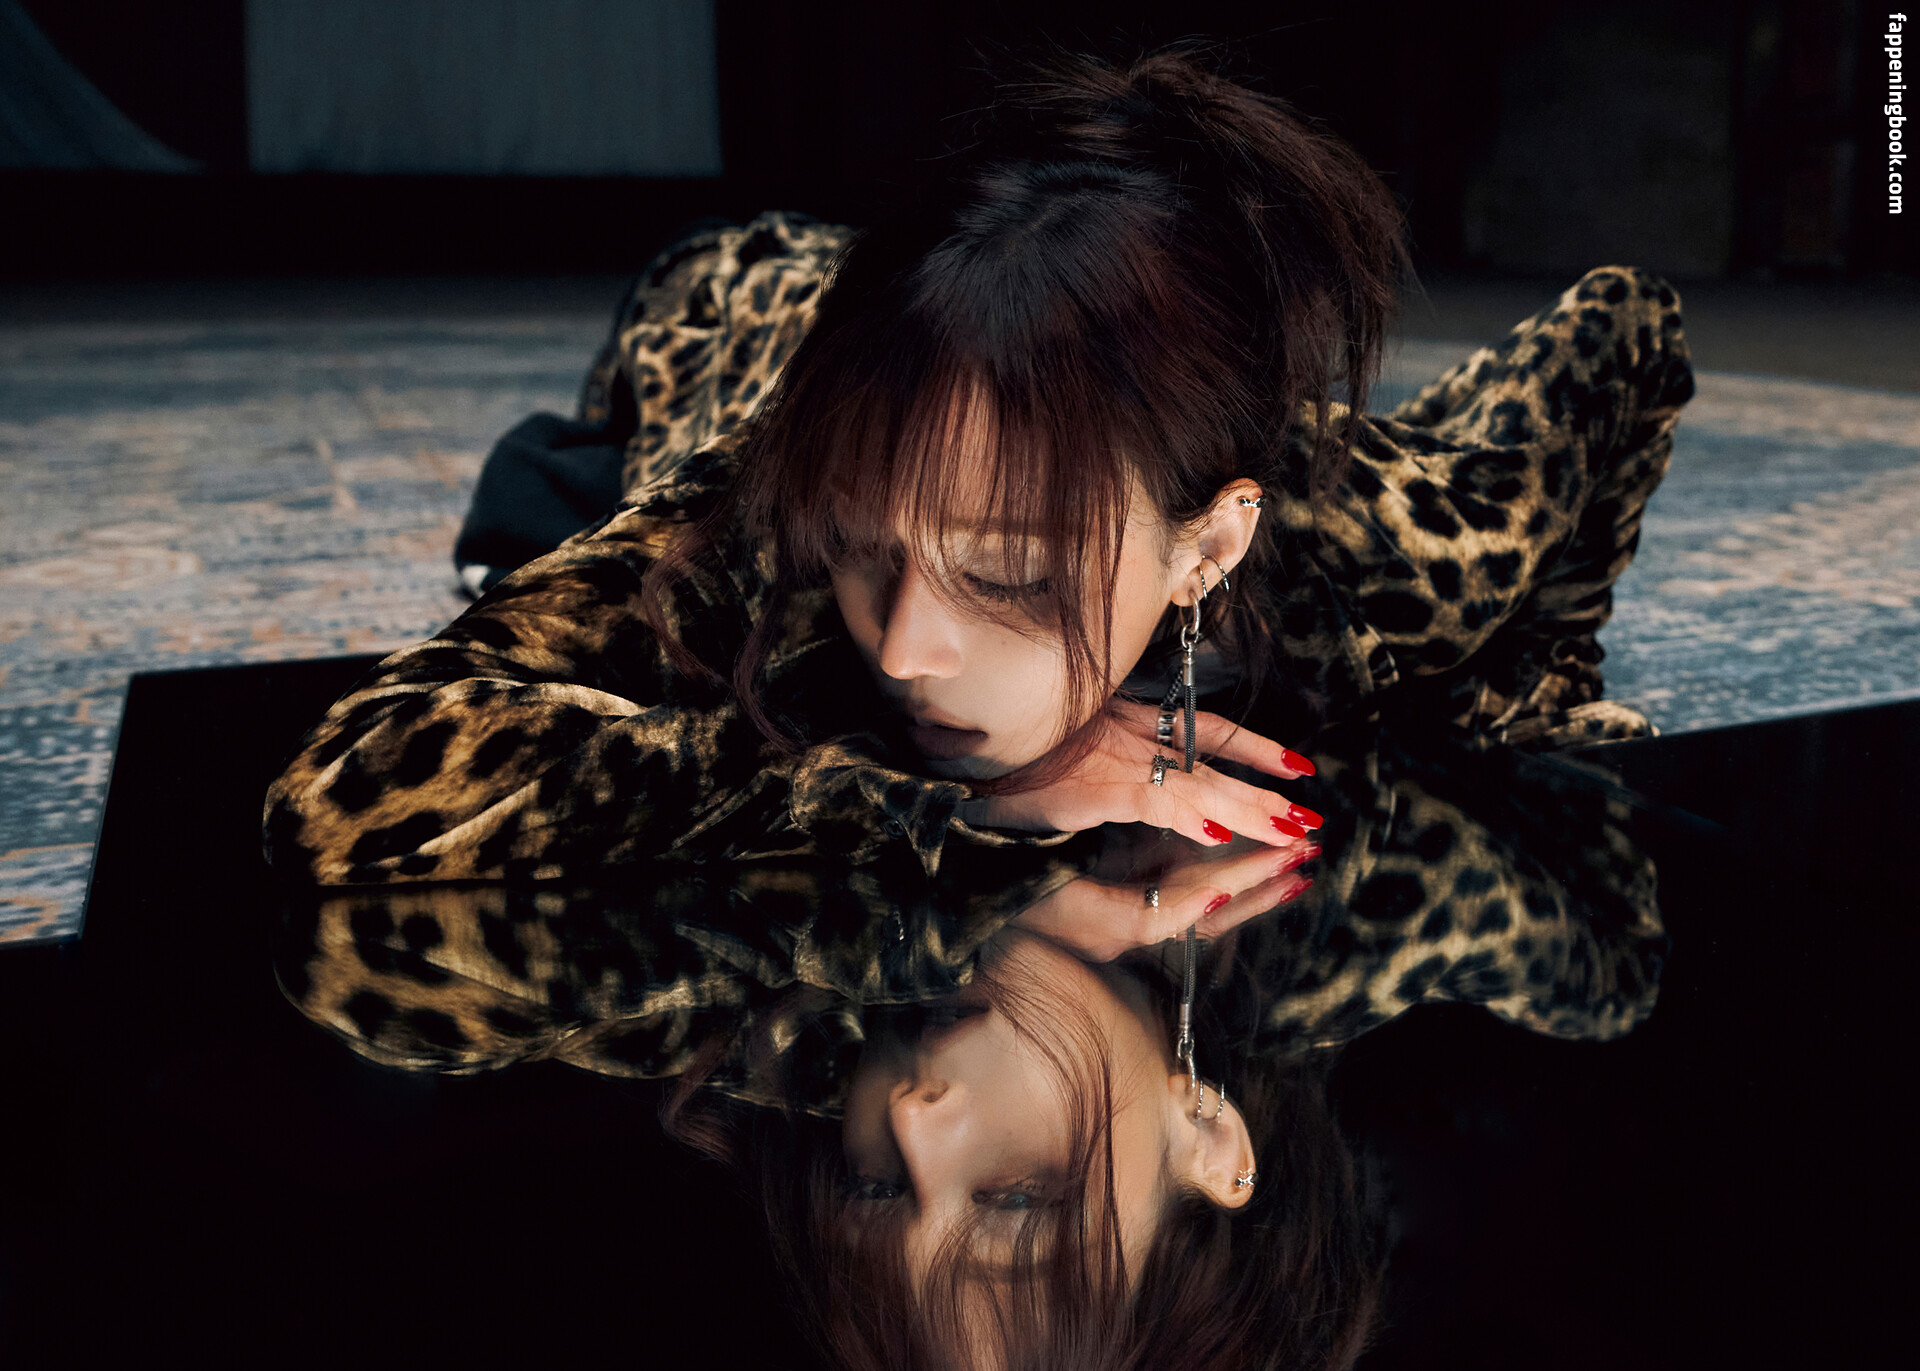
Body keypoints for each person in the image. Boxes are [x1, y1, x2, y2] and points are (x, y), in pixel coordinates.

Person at [263, 42, 1691, 1369]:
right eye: (1012, 1189)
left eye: (877, 1188)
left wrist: (1533, 674)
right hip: (738, 301)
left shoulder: (1377, 547)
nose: (904, 650)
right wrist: (934, 795)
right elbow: (347, 798)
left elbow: (1624, 339)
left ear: (1210, 546)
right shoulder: (769, 498)